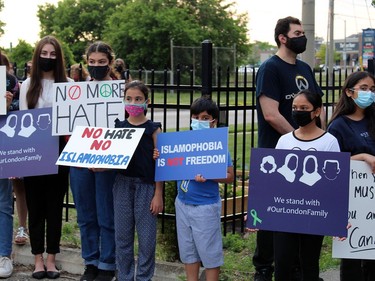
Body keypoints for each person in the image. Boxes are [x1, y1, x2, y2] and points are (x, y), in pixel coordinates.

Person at [254, 16, 324, 281]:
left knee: (300, 211)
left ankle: (296, 268)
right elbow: (271, 114)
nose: (302, 37)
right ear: (283, 38)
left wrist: (319, 139)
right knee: (272, 215)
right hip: (276, 155)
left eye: (302, 32)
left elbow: (317, 110)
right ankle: (263, 269)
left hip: (307, 157)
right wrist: (299, 140)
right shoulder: (270, 69)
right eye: (297, 32)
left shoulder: (305, 68)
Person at [19, 35, 71, 279]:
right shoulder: (28, 85)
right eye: (44, 53)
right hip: (34, 153)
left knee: (54, 207)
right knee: (36, 207)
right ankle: (37, 259)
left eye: (53, 54)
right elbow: (21, 120)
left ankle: (52, 259)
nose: (48, 58)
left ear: (58, 58)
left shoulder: (69, 84)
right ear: (37, 55)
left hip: (60, 153)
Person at [274, 90, 340, 280]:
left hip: (314, 213)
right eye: (295, 108)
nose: (298, 112)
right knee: (282, 264)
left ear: (317, 111)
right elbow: (273, 182)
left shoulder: (329, 142)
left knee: (309, 264)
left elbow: (333, 182)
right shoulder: (284, 140)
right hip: (285, 213)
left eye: (304, 108)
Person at [69, 41, 117, 281]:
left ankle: (108, 264)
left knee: (107, 215)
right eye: (92, 62)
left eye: (101, 62)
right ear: (86, 62)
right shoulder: (76, 91)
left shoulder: (120, 91)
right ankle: (91, 261)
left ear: (110, 62)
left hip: (108, 161)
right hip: (80, 159)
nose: (96, 66)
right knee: (86, 215)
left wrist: (108, 158)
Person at [175, 96, 234, 281]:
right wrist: (159, 155)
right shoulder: (183, 142)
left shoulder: (218, 147)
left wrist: (208, 174)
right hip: (183, 203)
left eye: (205, 118)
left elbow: (230, 176)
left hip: (205, 207)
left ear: (213, 121)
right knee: (188, 250)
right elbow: (170, 163)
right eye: (196, 117)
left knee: (209, 253)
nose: (199, 121)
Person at [113, 80, 163, 280]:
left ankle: (144, 277)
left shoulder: (153, 130)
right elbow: (111, 158)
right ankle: (124, 276)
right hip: (122, 184)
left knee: (147, 238)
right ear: (124, 101)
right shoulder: (118, 127)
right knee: (123, 237)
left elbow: (162, 163)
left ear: (147, 102)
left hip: (146, 187)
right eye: (129, 99)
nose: (133, 103)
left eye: (138, 99)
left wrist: (158, 193)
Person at [327, 71, 375, 281]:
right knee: (353, 257)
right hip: (352, 202)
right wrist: (363, 157)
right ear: (349, 92)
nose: (369, 93)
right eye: (363, 88)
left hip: (372, 200)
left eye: (372, 89)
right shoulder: (338, 126)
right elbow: (330, 165)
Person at [0, 52, 29, 246]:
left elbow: (22, 112)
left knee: (18, 185)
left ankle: (22, 226)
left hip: (11, 139)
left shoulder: (13, 84)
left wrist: (7, 106)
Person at [0, 54, 15, 277]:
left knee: (3, 203)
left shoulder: (13, 85)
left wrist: (8, 105)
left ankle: (4, 256)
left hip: (3, 145)